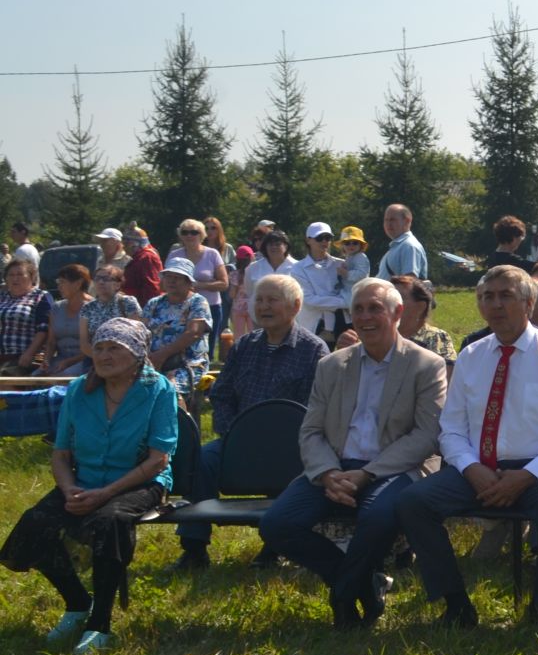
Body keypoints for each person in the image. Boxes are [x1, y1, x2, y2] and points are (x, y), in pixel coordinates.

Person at [383, 265, 538, 628]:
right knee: (413, 503)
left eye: (505, 295)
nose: (495, 305)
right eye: (487, 297)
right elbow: (450, 428)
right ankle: (456, 606)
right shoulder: (472, 355)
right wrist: (471, 469)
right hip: (477, 467)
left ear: (528, 303)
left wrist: (528, 475)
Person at [259, 278, 447, 628]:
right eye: (358, 309)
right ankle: (364, 582)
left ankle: (343, 599)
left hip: (396, 468)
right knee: (276, 524)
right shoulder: (332, 365)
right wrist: (329, 473)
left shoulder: (426, 365)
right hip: (335, 465)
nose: (365, 316)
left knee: (376, 520)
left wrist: (366, 474)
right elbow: (311, 430)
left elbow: (426, 436)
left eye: (375, 308)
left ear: (397, 313)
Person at [0, 318, 176, 655]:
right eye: (99, 348)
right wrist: (68, 491)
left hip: (140, 481)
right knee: (35, 525)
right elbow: (61, 452)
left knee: (111, 521)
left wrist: (105, 494)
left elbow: (158, 460)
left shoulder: (159, 390)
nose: (105, 355)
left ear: (137, 354)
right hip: (84, 480)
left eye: (115, 348)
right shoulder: (80, 389)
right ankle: (78, 602)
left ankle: (101, 625)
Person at [172, 273, 328, 569]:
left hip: (290, 445)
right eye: (259, 299)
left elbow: (314, 408)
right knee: (202, 460)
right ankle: (194, 547)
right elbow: (222, 395)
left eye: (273, 300)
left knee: (290, 469)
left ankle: (275, 546)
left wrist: (277, 439)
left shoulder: (314, 351)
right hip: (238, 439)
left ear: (295, 306)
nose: (264, 306)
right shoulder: (244, 346)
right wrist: (233, 433)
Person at [145, 258, 214, 395]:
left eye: (177, 277)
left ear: (189, 282)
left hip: (186, 362)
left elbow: (193, 333)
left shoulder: (198, 302)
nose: (171, 281)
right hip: (152, 360)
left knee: (170, 390)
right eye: (168, 276)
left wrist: (162, 355)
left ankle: (180, 416)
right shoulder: (154, 303)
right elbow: (140, 330)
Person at [168, 219, 231, 343]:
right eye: (185, 232)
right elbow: (165, 282)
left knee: (208, 347)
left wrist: (199, 285)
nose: (189, 235)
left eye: (193, 232)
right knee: (179, 344)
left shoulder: (213, 254)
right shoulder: (174, 255)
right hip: (180, 307)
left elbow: (224, 284)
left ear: (201, 235)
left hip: (210, 307)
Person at [290, 223, 350, 341]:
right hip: (314, 326)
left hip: (343, 322)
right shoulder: (298, 268)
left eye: (327, 238)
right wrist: (345, 302)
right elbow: (309, 299)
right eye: (319, 238)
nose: (324, 242)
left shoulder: (341, 264)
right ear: (308, 241)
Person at [39, 263, 95, 377]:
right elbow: (51, 342)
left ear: (78, 283)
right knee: (34, 378)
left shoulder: (94, 308)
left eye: (62, 282)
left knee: (58, 378)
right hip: (60, 360)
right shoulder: (56, 307)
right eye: (58, 283)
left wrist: (68, 362)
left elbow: (95, 347)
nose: (59, 287)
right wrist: (46, 360)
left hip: (86, 361)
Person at [79, 261, 142, 358]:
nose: (101, 282)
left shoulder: (128, 303)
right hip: (95, 359)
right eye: (97, 278)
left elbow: (136, 336)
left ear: (117, 284)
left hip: (124, 358)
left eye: (106, 279)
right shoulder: (87, 308)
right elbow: (84, 344)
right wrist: (101, 359)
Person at [0, 256, 51, 375]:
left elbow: (43, 330)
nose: (15, 278)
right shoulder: (2, 297)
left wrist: (29, 353)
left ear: (32, 277)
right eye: (11, 275)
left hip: (28, 356)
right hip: (3, 355)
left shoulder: (40, 296)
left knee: (4, 380)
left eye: (20, 274)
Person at [390, 274, 457, 360]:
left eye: (399, 298)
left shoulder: (437, 337)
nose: (390, 304)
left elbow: (447, 371)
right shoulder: (380, 336)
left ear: (421, 307)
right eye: (389, 298)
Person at [376, 204, 430, 280]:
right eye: (386, 220)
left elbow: (409, 281)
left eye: (392, 220)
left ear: (407, 221)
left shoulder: (409, 246)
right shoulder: (398, 246)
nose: (388, 224)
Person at [122, 228, 163, 304]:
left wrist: (148, 310)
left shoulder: (147, 257)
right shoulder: (138, 257)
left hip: (144, 308)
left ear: (135, 244)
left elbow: (152, 287)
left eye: (126, 243)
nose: (123, 246)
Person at [336, 226, 372, 292]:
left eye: (355, 243)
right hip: (349, 290)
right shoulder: (349, 257)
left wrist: (347, 273)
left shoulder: (361, 257)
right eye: (347, 243)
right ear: (342, 246)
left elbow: (362, 274)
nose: (351, 246)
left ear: (361, 245)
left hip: (358, 292)